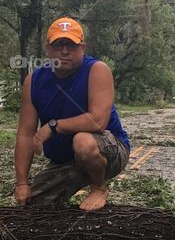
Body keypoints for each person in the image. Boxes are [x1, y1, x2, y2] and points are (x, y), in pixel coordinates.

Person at [13, 16, 131, 211]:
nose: (65, 51)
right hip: (67, 160)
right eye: (58, 45)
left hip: (108, 151)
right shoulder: (34, 81)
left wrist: (53, 127)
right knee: (33, 205)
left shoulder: (97, 70)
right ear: (48, 49)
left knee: (83, 142)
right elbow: (25, 134)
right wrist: (22, 182)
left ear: (82, 48)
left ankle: (99, 187)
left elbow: (98, 122)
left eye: (71, 45)